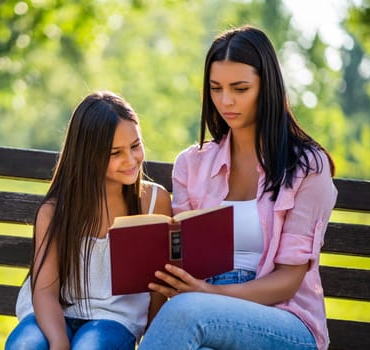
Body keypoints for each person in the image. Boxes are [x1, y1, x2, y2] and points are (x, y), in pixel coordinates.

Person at [138, 25, 338, 350]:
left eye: (240, 88)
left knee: (186, 311)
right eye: (216, 88)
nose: (226, 101)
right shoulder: (193, 164)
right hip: (203, 312)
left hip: (283, 321)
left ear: (267, 87)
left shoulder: (306, 167)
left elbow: (288, 281)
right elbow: (180, 258)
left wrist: (209, 296)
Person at [5, 91, 170, 350]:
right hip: (51, 314)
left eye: (135, 146)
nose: (130, 160)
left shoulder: (154, 202)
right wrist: (59, 342)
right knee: (25, 346)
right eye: (116, 152)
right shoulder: (55, 210)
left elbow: (158, 286)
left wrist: (152, 337)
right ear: (87, 155)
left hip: (114, 319)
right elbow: (45, 292)